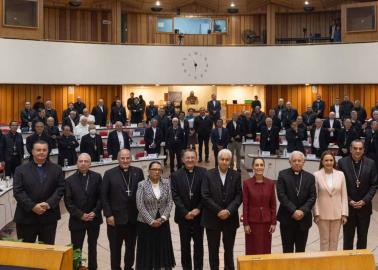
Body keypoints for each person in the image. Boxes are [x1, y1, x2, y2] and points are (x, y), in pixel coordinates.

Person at [13, 140, 65, 244]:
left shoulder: (57, 169)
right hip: (26, 217)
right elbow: (18, 191)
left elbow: (60, 188)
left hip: (48, 217)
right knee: (26, 252)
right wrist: (33, 206)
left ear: (48, 151)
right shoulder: (20, 170)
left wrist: (48, 203)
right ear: (32, 152)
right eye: (38, 150)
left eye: (44, 150)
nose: (41, 152)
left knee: (47, 251)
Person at [101, 149, 144, 270]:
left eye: (127, 158)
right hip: (114, 219)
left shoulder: (138, 172)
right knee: (115, 249)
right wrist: (108, 215)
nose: (125, 161)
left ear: (131, 159)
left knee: (131, 248)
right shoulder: (109, 173)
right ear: (118, 159)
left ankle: (128, 267)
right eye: (122, 158)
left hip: (133, 219)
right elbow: (104, 196)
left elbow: (142, 194)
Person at [201, 149, 242, 270]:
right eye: (222, 159)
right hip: (212, 218)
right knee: (213, 249)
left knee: (229, 249)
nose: (224, 162)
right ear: (218, 160)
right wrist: (219, 211)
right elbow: (205, 195)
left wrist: (228, 210)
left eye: (227, 159)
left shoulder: (236, 175)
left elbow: (239, 195)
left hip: (230, 218)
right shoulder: (208, 174)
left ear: (230, 161)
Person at [64, 153, 103, 270]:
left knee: (93, 246)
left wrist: (95, 212)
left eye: (86, 161)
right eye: (80, 161)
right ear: (77, 163)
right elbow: (68, 202)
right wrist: (80, 215)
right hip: (77, 220)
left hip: (93, 219)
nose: (83, 163)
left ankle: (93, 267)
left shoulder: (97, 177)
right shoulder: (69, 180)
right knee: (76, 248)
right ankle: (76, 268)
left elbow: (101, 197)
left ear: (90, 164)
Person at [337, 140, 378, 250]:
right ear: (350, 149)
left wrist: (364, 200)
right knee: (347, 238)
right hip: (348, 208)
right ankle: (347, 263)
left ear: (364, 150)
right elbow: (339, 185)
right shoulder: (342, 163)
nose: (358, 151)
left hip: (364, 208)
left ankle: (360, 263)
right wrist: (349, 200)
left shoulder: (371, 163)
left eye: (360, 148)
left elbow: (374, 185)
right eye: (355, 148)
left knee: (363, 238)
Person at [136, 161, 175, 269]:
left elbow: (170, 202)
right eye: (154, 169)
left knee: (162, 249)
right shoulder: (142, 184)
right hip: (145, 223)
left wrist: (163, 218)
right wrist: (151, 221)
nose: (157, 172)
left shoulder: (167, 183)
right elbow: (140, 204)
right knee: (147, 250)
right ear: (149, 171)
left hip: (162, 222)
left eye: (159, 170)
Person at [171, 149, 206, 270]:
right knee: (184, 246)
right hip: (183, 217)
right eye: (187, 158)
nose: (190, 160)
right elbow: (175, 196)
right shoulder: (175, 175)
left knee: (199, 246)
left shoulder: (203, 172)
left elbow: (205, 194)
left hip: (199, 217)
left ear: (196, 158)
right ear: (182, 160)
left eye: (192, 157)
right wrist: (185, 212)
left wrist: (198, 209)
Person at [276, 151, 317, 253]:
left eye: (299, 161)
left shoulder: (310, 177)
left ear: (304, 162)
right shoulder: (283, 174)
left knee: (301, 250)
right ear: (290, 162)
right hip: (287, 218)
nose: (297, 163)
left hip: (304, 219)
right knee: (287, 250)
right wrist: (293, 210)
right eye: (294, 161)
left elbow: (312, 197)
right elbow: (281, 195)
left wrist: (302, 211)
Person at [313, 151, 348, 251]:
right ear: (322, 162)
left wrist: (344, 213)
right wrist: (316, 213)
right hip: (322, 214)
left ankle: (332, 263)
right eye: (326, 160)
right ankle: (324, 263)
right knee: (324, 240)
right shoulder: (316, 175)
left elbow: (344, 195)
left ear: (334, 161)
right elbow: (314, 196)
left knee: (334, 240)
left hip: (337, 213)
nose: (329, 162)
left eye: (331, 160)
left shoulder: (340, 174)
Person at [243, 157, 276, 255]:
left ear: (264, 167)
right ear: (253, 167)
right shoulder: (247, 183)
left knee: (265, 249)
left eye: (261, 165)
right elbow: (245, 205)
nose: (259, 167)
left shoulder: (270, 183)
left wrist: (273, 222)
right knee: (252, 249)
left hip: (267, 222)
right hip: (252, 222)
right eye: (256, 165)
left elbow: (273, 204)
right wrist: (245, 223)